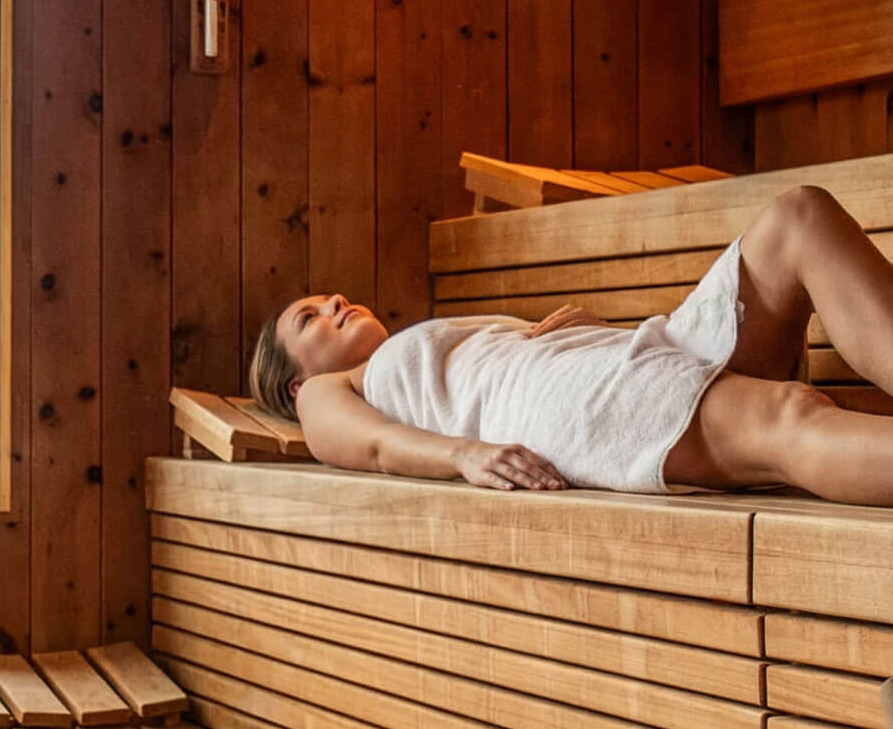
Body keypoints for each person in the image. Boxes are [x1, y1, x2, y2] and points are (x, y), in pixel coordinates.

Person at [248, 184, 893, 505]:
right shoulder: (332, 392)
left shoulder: (424, 348)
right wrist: (465, 456)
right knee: (786, 415)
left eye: (327, 298)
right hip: (564, 406)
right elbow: (372, 445)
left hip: (630, 353)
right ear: (295, 385)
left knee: (798, 216)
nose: (333, 303)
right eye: (309, 319)